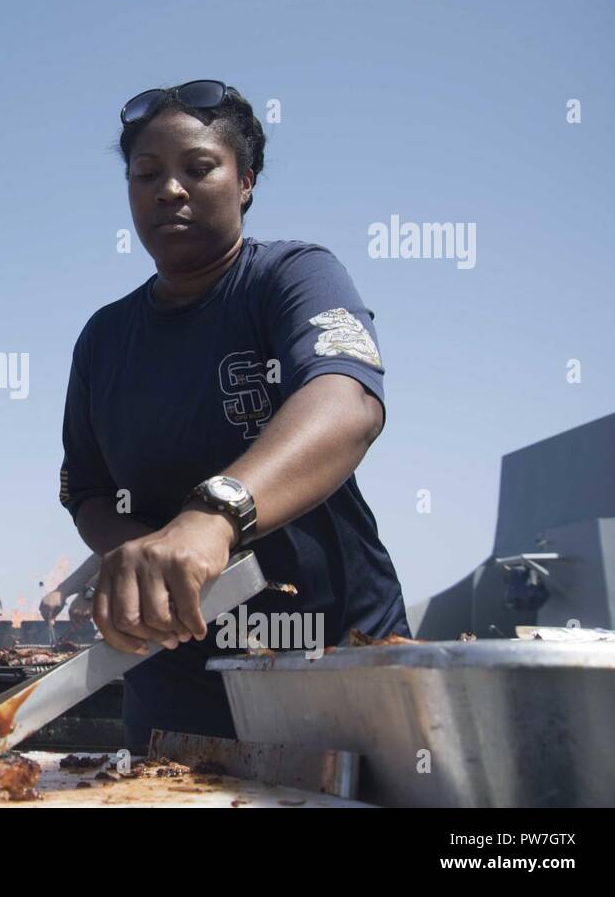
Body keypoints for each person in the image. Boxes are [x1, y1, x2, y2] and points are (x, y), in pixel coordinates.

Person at [59, 80, 409, 748]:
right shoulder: (103, 338)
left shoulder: (291, 276)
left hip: (329, 662)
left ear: (245, 180)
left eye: (198, 168)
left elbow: (347, 399)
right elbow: (87, 490)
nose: (169, 190)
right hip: (174, 683)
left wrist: (214, 517)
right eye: (146, 174)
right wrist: (133, 554)